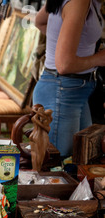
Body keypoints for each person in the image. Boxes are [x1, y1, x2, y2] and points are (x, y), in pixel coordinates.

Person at [32, 0, 105, 158]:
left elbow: (40, 21)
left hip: (71, 88)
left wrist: (68, 44)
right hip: (62, 89)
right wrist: (98, 58)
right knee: (59, 167)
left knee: (79, 162)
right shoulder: (79, 1)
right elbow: (64, 65)